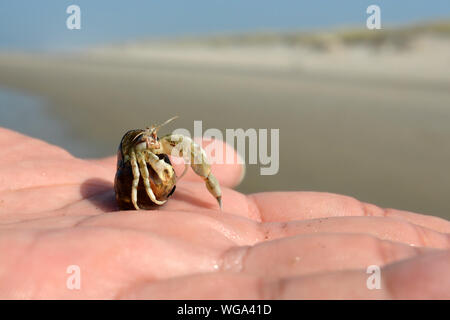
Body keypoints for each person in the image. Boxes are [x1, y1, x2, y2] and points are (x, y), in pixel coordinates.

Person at [0, 127, 448, 299]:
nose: (161, 144)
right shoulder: (136, 160)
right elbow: (137, 171)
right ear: (139, 148)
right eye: (152, 141)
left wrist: (207, 185)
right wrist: (145, 191)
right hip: (133, 184)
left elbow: (183, 151)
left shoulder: (158, 144)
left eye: (159, 139)